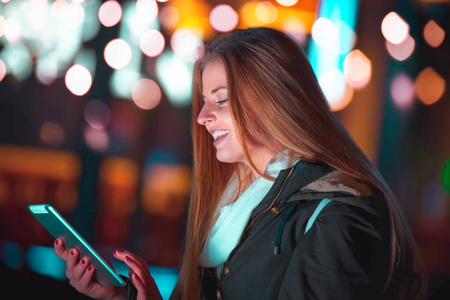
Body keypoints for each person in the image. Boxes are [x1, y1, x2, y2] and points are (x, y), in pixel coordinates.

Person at [54, 27, 426, 300]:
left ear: (275, 101)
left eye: (220, 100)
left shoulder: (339, 214)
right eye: (203, 101)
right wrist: (129, 297)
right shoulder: (237, 199)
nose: (202, 117)